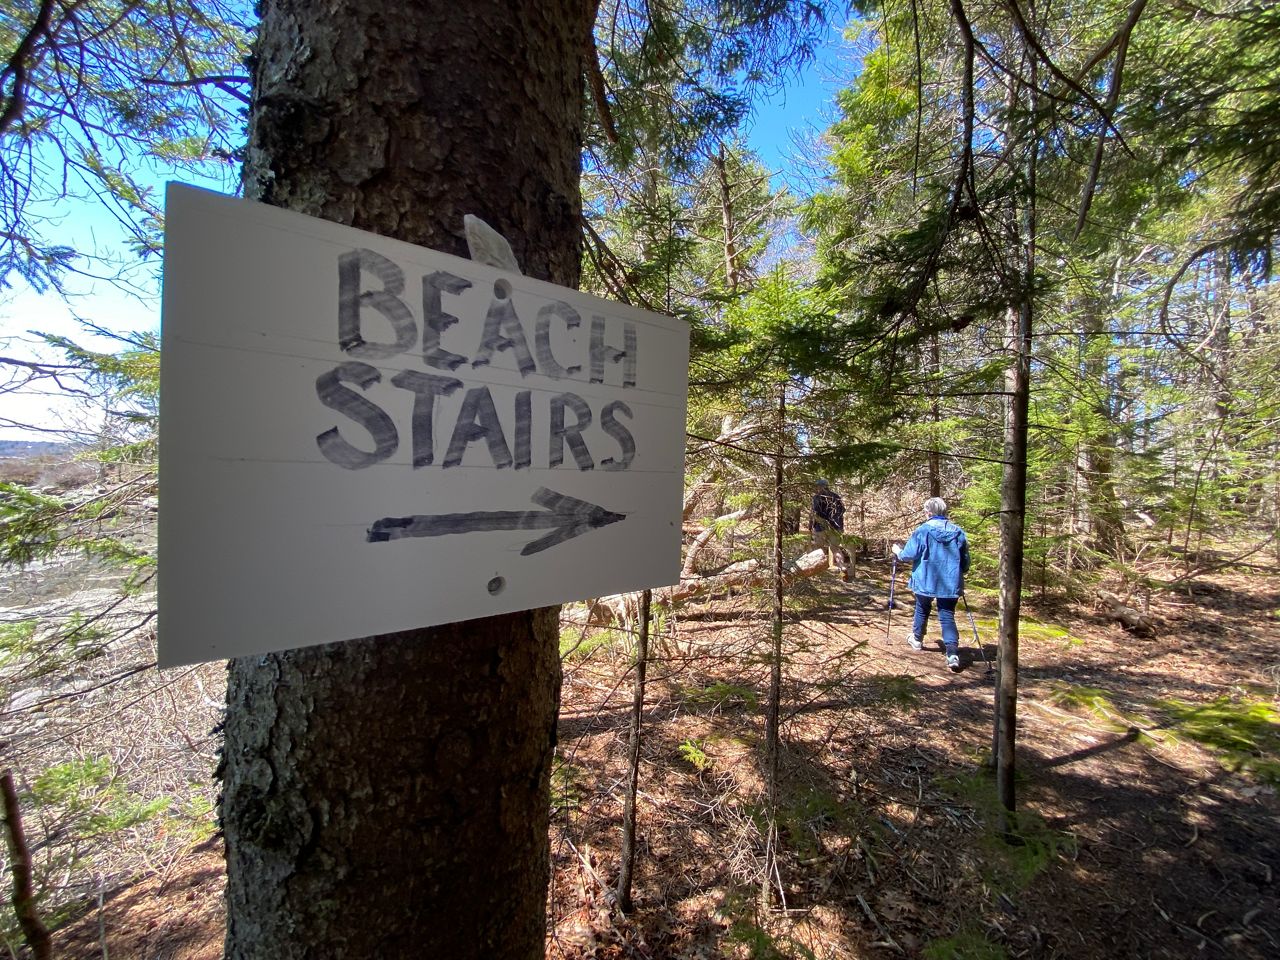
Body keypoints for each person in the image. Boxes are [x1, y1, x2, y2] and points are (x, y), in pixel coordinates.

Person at [893, 497, 970, 672]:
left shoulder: (923, 531)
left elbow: (908, 555)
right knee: (947, 614)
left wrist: (897, 551)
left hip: (925, 579)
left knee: (922, 608)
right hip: (950, 582)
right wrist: (960, 572)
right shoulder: (958, 532)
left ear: (928, 512)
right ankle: (952, 653)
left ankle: (917, 639)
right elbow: (965, 562)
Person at [811, 479, 851, 579]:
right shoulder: (836, 496)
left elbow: (814, 513)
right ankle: (843, 568)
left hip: (821, 527)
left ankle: (816, 572)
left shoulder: (817, 497)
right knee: (835, 548)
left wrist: (811, 525)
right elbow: (842, 510)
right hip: (836, 527)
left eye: (817, 486)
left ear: (821, 486)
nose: (816, 488)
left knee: (818, 548)